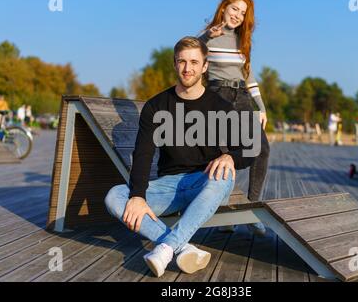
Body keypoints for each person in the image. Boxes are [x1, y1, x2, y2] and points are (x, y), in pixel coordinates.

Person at [104, 37, 255, 278]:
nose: (188, 68)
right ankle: (179, 247)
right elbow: (143, 154)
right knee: (115, 197)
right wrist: (138, 196)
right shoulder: (156, 106)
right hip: (169, 187)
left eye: (194, 62)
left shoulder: (221, 106)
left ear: (205, 66)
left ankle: (164, 249)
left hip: (207, 183)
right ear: (175, 64)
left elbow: (249, 149)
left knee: (224, 175)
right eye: (182, 62)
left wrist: (231, 159)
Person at [198, 0, 270, 235]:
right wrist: (208, 35)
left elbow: (248, 76)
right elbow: (188, 53)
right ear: (224, 7)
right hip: (217, 96)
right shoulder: (207, 36)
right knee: (225, 154)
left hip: (241, 98)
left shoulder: (243, 41)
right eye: (234, 9)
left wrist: (261, 107)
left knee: (261, 149)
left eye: (243, 12)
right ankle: (225, 212)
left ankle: (251, 209)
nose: (238, 15)